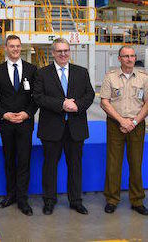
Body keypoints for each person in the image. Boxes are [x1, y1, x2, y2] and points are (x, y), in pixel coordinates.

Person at [33, 37, 94, 215]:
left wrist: (77, 105)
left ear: (69, 52)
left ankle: (75, 201)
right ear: (53, 53)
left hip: (76, 128)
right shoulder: (42, 73)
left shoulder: (81, 72)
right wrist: (62, 104)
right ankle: (49, 200)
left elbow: (89, 95)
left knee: (75, 166)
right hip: (51, 128)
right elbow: (38, 97)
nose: (63, 54)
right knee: (50, 166)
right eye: (59, 51)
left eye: (66, 50)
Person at [99, 45, 148, 216]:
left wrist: (134, 122)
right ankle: (112, 199)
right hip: (115, 124)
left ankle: (137, 200)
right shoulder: (110, 77)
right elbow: (104, 102)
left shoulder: (144, 78)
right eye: (125, 56)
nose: (129, 59)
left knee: (136, 163)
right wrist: (122, 120)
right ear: (119, 59)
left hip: (137, 124)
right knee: (113, 163)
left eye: (132, 56)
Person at [0, 34, 37, 216]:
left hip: (25, 123)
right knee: (9, 160)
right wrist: (4, 114)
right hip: (7, 123)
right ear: (6, 48)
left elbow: (36, 97)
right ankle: (10, 195)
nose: (15, 49)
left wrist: (27, 113)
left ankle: (23, 199)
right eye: (12, 46)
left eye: (18, 46)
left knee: (24, 161)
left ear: (21, 47)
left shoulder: (32, 70)